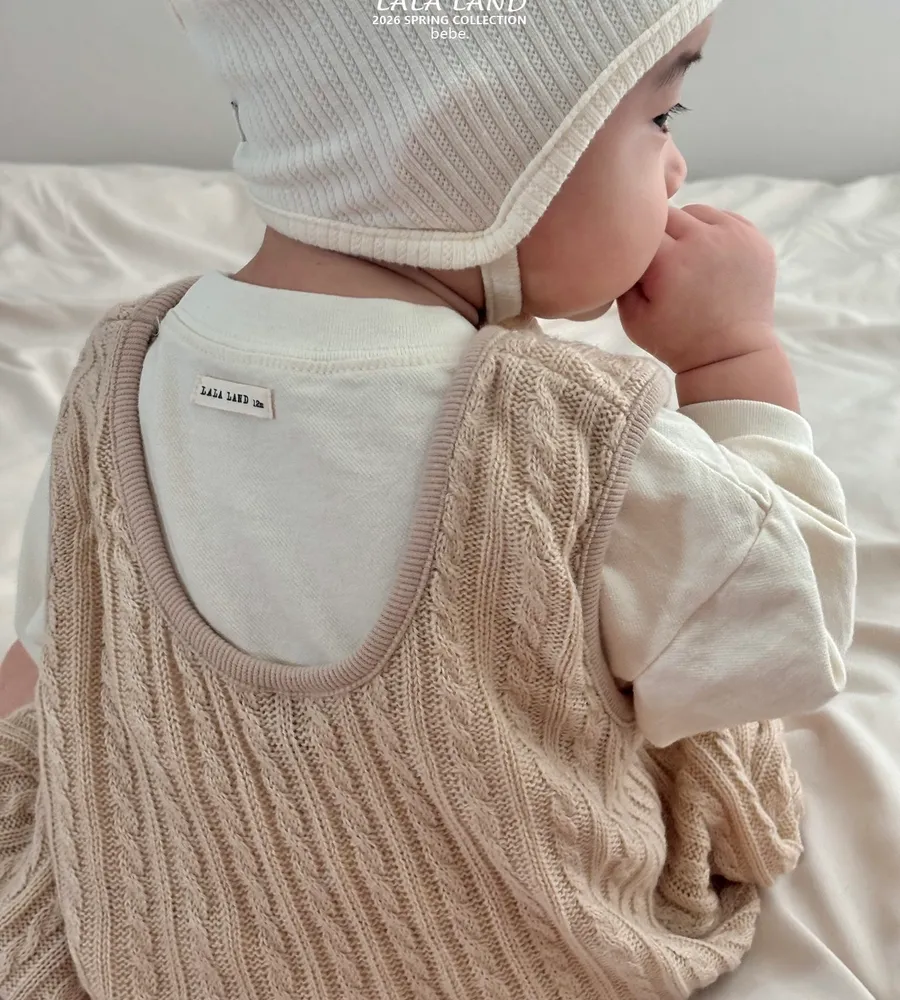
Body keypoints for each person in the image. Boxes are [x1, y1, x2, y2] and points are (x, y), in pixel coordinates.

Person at [0, 0, 856, 996]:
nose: (676, 170)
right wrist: (732, 359)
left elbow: (49, 651)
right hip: (516, 962)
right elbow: (788, 631)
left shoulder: (115, 380)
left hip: (168, 955)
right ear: (490, 151)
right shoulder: (576, 444)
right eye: (661, 117)